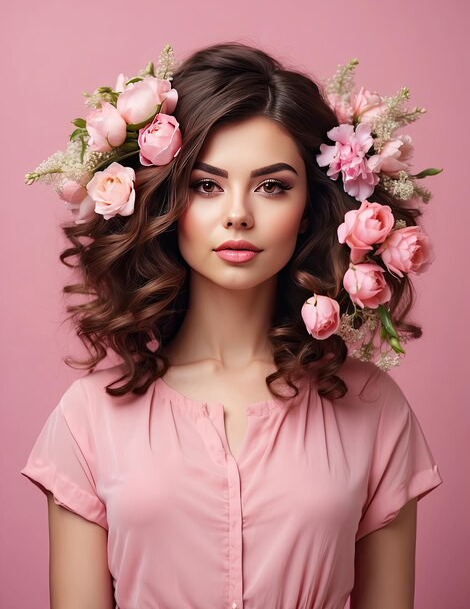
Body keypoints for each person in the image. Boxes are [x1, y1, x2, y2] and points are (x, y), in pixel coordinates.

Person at [21, 42, 443, 609]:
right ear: (167, 200)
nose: (239, 213)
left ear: (313, 208)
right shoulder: (88, 418)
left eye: (273, 186)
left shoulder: (374, 408)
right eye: (206, 184)